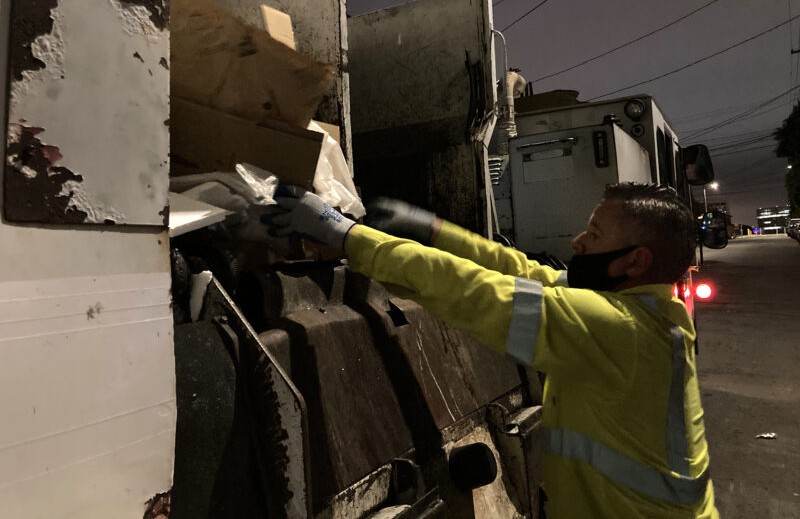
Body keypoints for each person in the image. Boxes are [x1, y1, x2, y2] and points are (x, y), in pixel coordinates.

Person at [263, 182, 718, 518]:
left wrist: (347, 236)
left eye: (595, 235)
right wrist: (435, 229)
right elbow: (520, 270)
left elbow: (480, 294)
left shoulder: (619, 329)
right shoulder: (641, 308)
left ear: (635, 261)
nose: (579, 242)